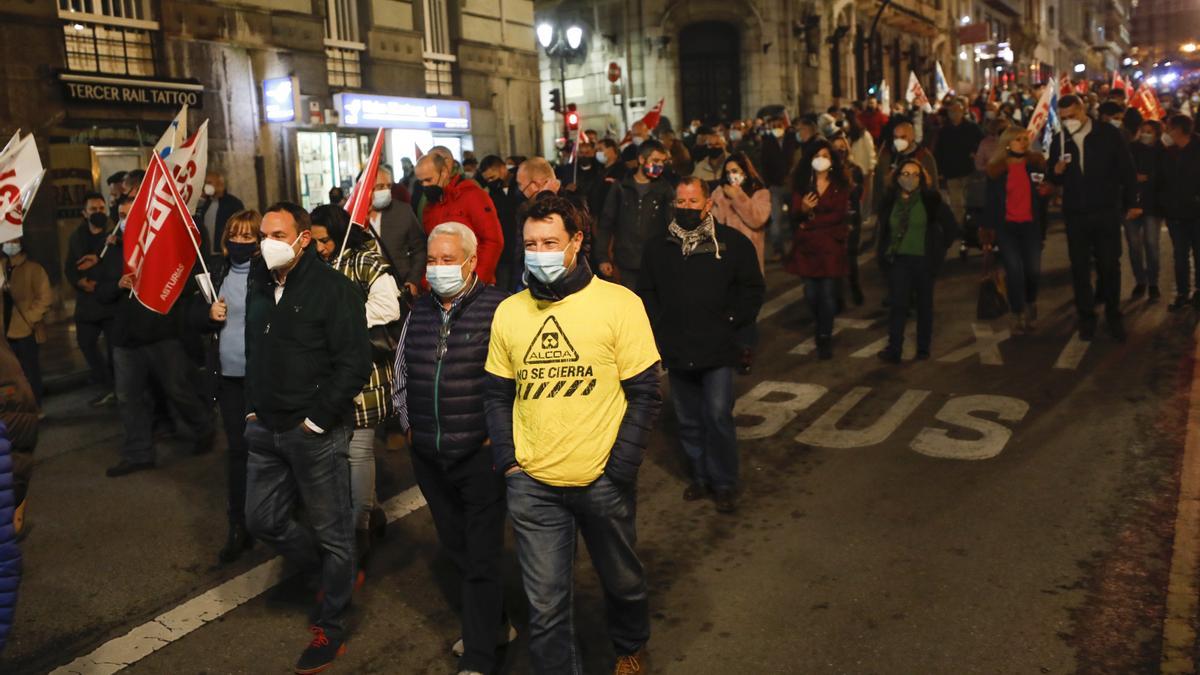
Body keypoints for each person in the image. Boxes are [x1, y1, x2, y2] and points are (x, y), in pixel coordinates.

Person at [483, 195, 662, 675]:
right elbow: (497, 395)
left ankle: (630, 644)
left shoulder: (619, 304)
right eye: (530, 243)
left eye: (550, 242)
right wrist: (509, 461)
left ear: (577, 241)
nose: (537, 251)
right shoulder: (510, 312)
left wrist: (620, 467)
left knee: (623, 581)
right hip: (533, 486)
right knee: (545, 609)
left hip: (602, 483)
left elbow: (646, 392)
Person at [243, 202, 371, 674]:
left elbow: (353, 363)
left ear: (303, 239)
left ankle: (331, 624)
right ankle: (326, 572)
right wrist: (254, 409)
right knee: (262, 520)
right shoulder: (259, 283)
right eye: (263, 234)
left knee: (334, 531)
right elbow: (256, 347)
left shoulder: (333, 290)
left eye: (278, 233)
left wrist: (316, 421)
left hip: (314, 433)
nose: (266, 242)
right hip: (266, 429)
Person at [394, 222, 512, 675]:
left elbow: (515, 382)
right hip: (429, 454)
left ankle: (481, 656)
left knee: (481, 555)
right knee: (457, 546)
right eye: (432, 260)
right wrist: (409, 427)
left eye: (448, 260)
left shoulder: (499, 309)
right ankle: (497, 622)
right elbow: (401, 372)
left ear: (470, 261)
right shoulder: (419, 311)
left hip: (480, 456)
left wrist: (496, 438)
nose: (438, 269)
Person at [637, 178, 763, 512]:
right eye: (682, 201)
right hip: (678, 348)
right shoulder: (658, 247)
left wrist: (732, 321)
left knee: (718, 415)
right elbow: (646, 291)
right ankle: (701, 476)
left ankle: (724, 481)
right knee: (689, 419)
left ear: (708, 204)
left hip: (718, 348)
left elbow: (751, 287)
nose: (687, 208)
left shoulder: (732, 244)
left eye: (694, 202)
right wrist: (659, 325)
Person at [99, 198, 216, 477]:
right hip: (125, 340)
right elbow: (100, 292)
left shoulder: (161, 247)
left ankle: (204, 428)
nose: (125, 219)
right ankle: (138, 453)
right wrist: (117, 283)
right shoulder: (113, 250)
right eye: (121, 215)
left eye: (131, 214)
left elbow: (185, 284)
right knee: (129, 398)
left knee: (178, 388)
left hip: (161, 333)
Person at [310, 205, 400, 564]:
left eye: (325, 240)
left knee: (359, 451)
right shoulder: (316, 266)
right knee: (339, 451)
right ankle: (371, 510)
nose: (319, 248)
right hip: (329, 373)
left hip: (365, 371)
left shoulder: (366, 262)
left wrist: (340, 319)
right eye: (313, 241)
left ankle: (359, 527)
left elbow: (388, 308)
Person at [188, 209, 262, 564]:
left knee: (275, 449)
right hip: (230, 379)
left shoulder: (269, 275)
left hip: (265, 378)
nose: (241, 241)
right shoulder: (214, 271)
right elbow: (188, 317)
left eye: (249, 236)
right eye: (235, 234)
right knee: (238, 452)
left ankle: (280, 515)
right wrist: (207, 315)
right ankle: (238, 525)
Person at [1048, 94, 1139, 341]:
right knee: (1079, 267)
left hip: (1105, 210)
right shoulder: (1060, 140)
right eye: (1064, 118)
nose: (1069, 122)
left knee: (1109, 265)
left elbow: (1126, 168)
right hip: (1076, 213)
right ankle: (1086, 317)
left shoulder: (1108, 134)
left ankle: (1113, 314)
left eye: (1072, 116)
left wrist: (1132, 202)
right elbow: (1053, 177)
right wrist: (1055, 173)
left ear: (1083, 110)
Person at [876, 159, 959, 363]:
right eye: (905, 174)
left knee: (924, 305)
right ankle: (894, 348)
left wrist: (938, 250)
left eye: (915, 174)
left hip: (923, 261)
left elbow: (951, 227)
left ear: (922, 178)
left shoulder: (931, 200)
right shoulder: (890, 201)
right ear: (897, 177)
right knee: (898, 305)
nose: (910, 179)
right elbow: (884, 230)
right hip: (899, 261)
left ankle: (923, 348)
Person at [787, 140, 852, 359]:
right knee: (811, 293)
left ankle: (824, 335)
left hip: (830, 247)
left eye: (825, 155)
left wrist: (811, 221)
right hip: (808, 248)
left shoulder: (840, 185)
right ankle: (821, 321)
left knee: (827, 294)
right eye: (817, 155)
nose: (821, 159)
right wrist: (804, 210)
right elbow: (795, 213)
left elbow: (839, 214)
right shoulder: (802, 184)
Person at [985, 127, 1048, 334]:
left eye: (1025, 139)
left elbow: (1045, 192)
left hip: (1030, 225)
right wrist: (988, 229)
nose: (1023, 142)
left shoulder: (1035, 164)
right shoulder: (997, 170)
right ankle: (1018, 312)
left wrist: (1046, 190)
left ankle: (1030, 302)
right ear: (1007, 143)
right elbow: (991, 201)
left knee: (1033, 270)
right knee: (1014, 271)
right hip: (1007, 227)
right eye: (1018, 139)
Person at [595, 140, 675, 289]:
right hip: (626, 262)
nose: (660, 166)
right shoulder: (621, 187)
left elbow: (672, 225)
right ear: (641, 159)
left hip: (656, 263)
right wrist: (603, 257)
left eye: (662, 162)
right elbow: (606, 224)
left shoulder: (664, 189)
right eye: (655, 160)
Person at [417, 153, 505, 284]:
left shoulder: (472, 196)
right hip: (441, 287)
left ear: (444, 172)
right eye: (421, 182)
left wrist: (476, 282)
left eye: (429, 180)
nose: (425, 186)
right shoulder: (429, 208)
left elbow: (493, 241)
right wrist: (428, 282)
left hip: (475, 285)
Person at [66, 192, 116, 406]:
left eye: (101, 209)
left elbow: (114, 264)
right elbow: (70, 266)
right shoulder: (76, 237)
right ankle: (106, 382)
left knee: (116, 349)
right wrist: (79, 281)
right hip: (87, 302)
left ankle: (117, 387)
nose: (98, 213)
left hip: (110, 301)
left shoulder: (113, 236)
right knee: (86, 343)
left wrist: (100, 281)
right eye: (93, 210)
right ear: (84, 213)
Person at [2, 238, 51, 407]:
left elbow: (45, 297)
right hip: (4, 330)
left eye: (13, 242)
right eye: (6, 242)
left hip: (26, 329)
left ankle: (35, 405)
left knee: (30, 371)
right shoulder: (1, 267)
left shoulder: (33, 269)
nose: (9, 245)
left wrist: (30, 318)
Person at [1159, 114, 1200, 311]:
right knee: (1180, 255)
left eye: (1168, 128)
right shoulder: (1168, 152)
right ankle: (1182, 293)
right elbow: (1162, 181)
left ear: (1178, 130)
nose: (1166, 132)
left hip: (1196, 212)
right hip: (1175, 214)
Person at [368, 164, 426, 296]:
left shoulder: (403, 211)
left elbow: (420, 248)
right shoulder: (354, 216)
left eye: (389, 186)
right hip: (366, 289)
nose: (386, 191)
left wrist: (413, 280)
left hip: (399, 287)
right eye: (380, 187)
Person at [710, 152, 771, 273]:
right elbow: (714, 224)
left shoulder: (760, 193)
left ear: (745, 172)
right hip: (725, 256)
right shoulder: (719, 193)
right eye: (728, 172)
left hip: (748, 256)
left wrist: (737, 197)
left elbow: (756, 220)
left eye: (735, 171)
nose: (731, 175)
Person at [1127, 120, 1164, 302]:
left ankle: (1153, 283)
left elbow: (1164, 177)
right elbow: (1122, 172)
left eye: (1149, 131)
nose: (1145, 134)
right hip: (1131, 204)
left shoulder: (1161, 151)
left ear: (1156, 134)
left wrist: (1148, 180)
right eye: (1143, 131)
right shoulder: (1131, 148)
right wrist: (1133, 178)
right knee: (1134, 246)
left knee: (1151, 245)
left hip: (1152, 205)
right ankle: (1140, 281)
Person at [873, 118, 940, 216]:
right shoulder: (886, 155)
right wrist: (878, 207)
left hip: (917, 208)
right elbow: (878, 183)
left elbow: (933, 184)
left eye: (903, 137)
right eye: (895, 137)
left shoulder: (923, 156)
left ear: (912, 137)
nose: (898, 141)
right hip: (891, 208)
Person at [934, 100, 984, 228]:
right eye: (951, 112)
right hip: (952, 171)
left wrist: (974, 152)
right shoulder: (944, 131)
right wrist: (939, 171)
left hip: (968, 170)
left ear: (962, 112)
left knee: (969, 201)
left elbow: (982, 143)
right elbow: (939, 151)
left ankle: (970, 226)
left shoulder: (972, 127)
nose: (954, 114)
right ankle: (959, 226)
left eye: (957, 111)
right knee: (956, 202)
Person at [831, 133, 867, 305]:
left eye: (842, 146)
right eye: (836, 147)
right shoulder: (826, 171)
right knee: (835, 257)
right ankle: (838, 298)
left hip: (851, 218)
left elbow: (858, 194)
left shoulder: (855, 169)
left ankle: (855, 289)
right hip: (833, 219)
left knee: (850, 257)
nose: (840, 150)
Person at [479, 155, 524, 292]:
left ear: (503, 168)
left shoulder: (521, 185)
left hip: (521, 248)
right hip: (503, 253)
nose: (490, 182)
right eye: (487, 180)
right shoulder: (491, 194)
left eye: (492, 177)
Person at [761, 115, 800, 260]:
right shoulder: (767, 143)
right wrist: (769, 184)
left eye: (779, 124)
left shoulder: (792, 140)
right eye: (774, 125)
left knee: (794, 217)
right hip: (775, 187)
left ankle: (797, 247)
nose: (777, 128)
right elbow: (764, 166)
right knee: (776, 220)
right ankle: (778, 249)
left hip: (792, 185)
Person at [195, 171, 246, 266]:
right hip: (205, 255)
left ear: (220, 184)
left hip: (223, 254)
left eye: (210, 183)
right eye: (205, 182)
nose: (206, 185)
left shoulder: (233, 203)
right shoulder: (205, 203)